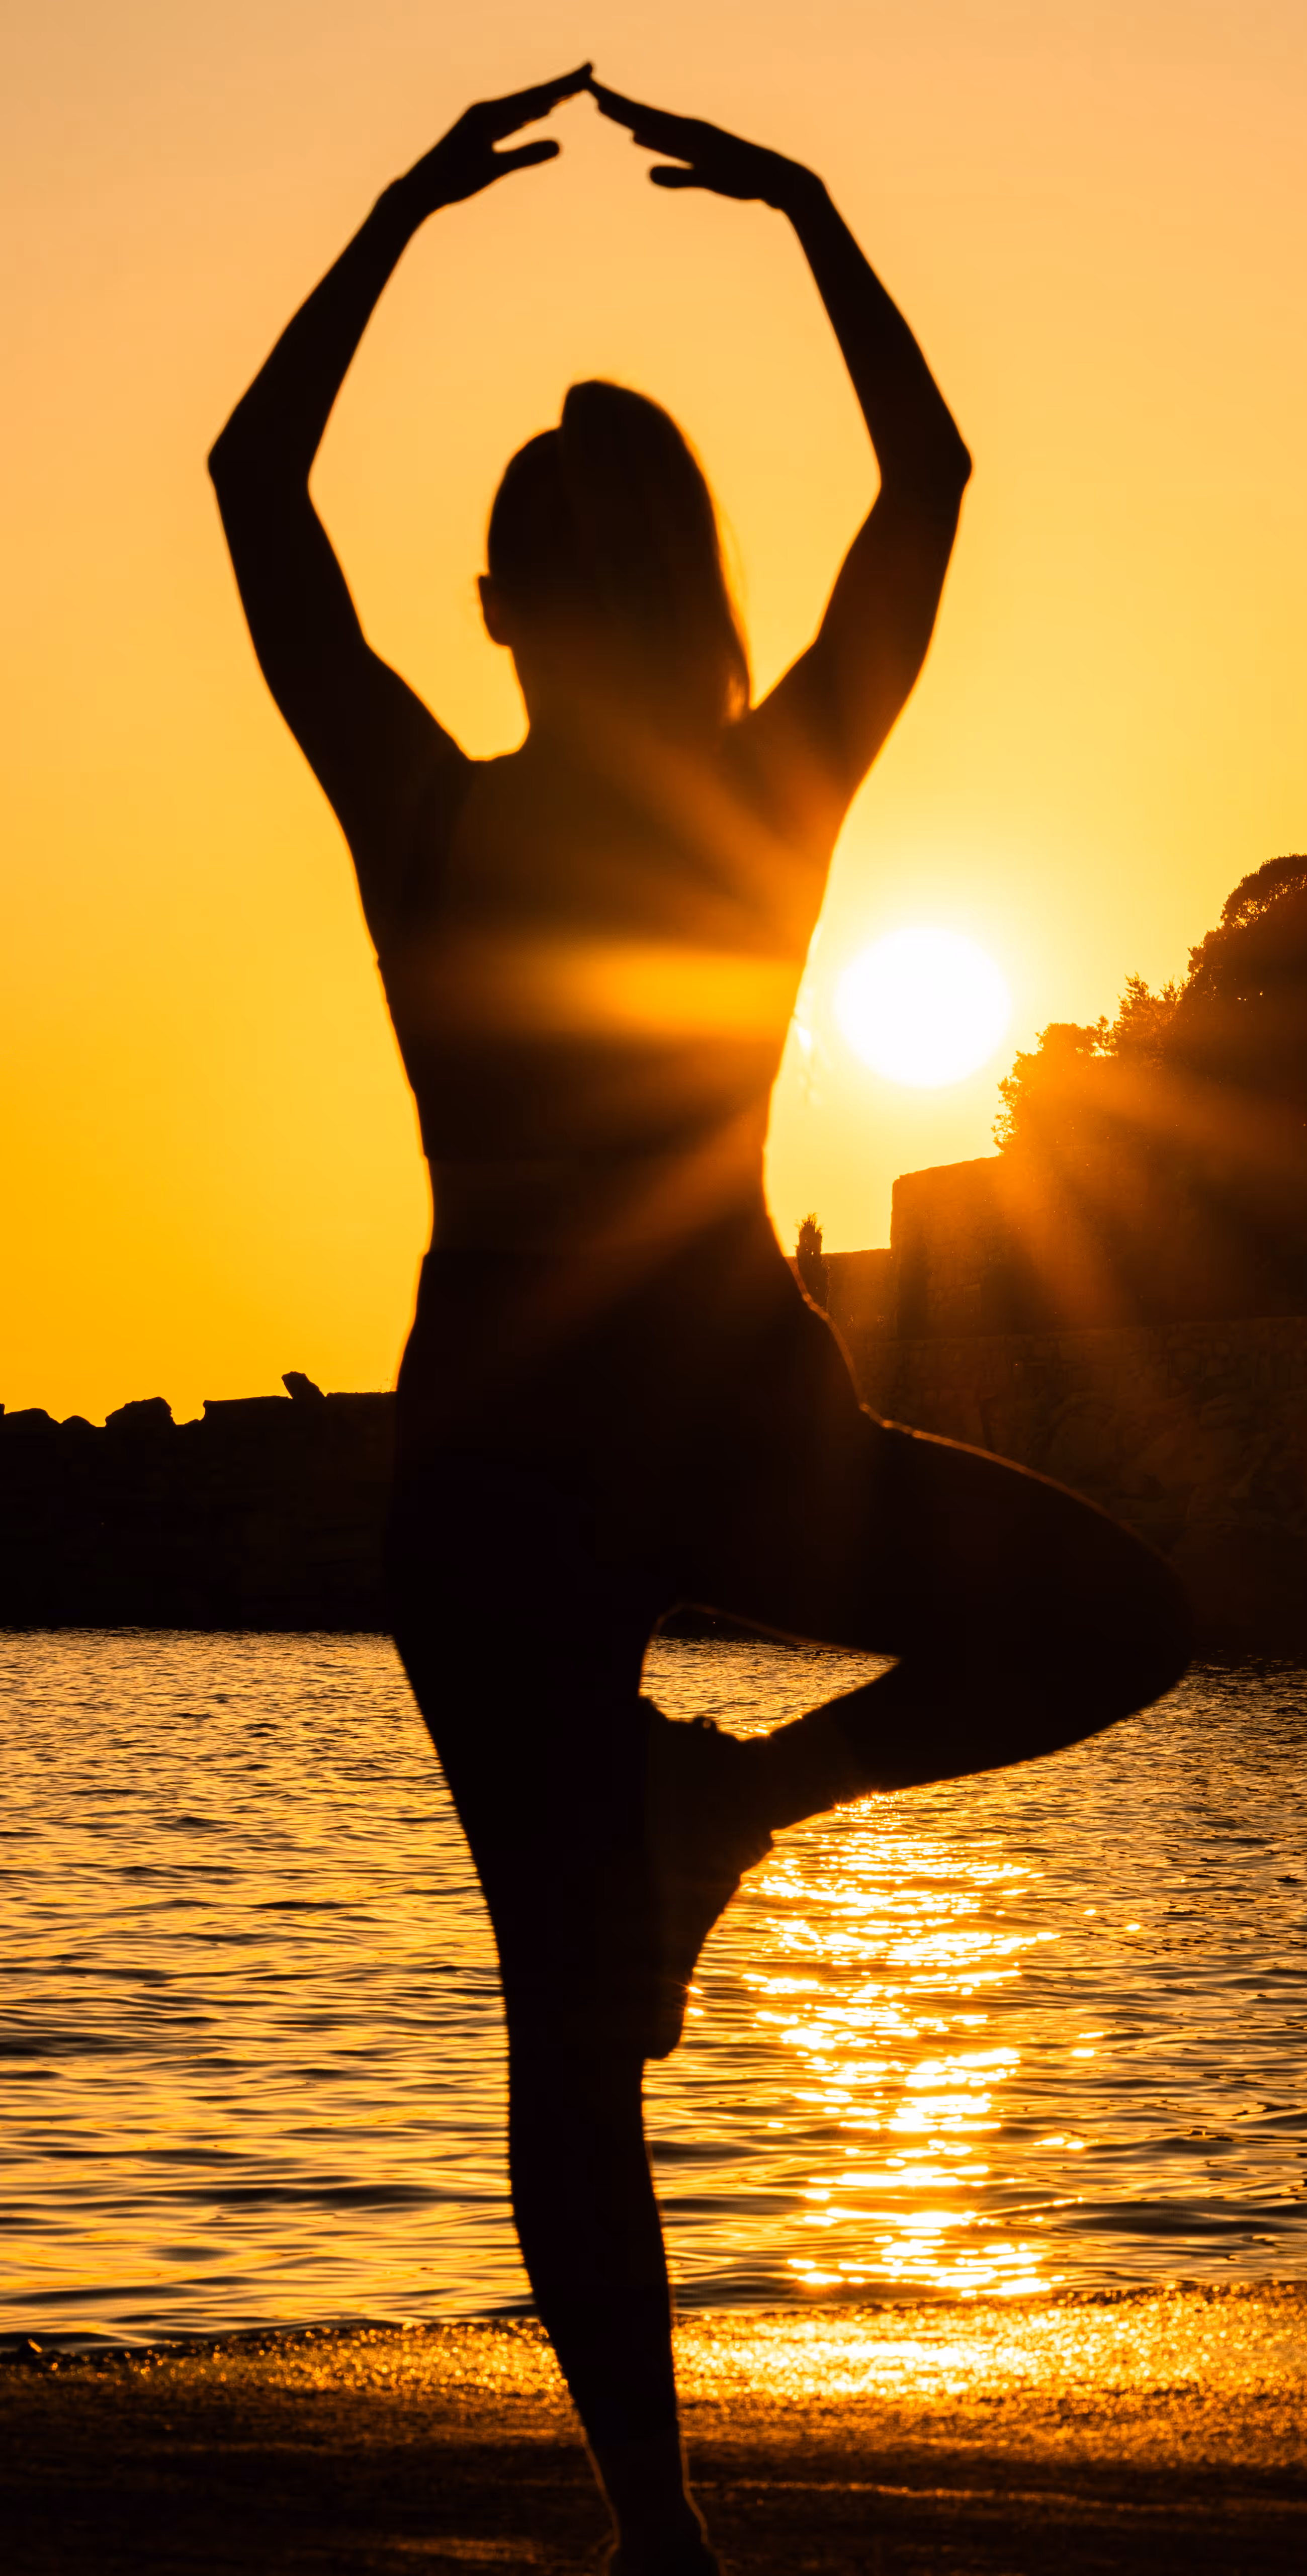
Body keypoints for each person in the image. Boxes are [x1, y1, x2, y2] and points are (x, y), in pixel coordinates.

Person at [209, 69, 1189, 2576]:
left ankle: (662, 2528)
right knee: (1104, 1621)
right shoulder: (765, 797)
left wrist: (397, 217)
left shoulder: (428, 810)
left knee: (568, 2013)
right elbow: (930, 486)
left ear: (522, 606)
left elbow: (251, 486)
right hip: (702, 1408)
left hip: (526, 1430)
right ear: (670, 600)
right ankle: (734, 1814)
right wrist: (817, 219)